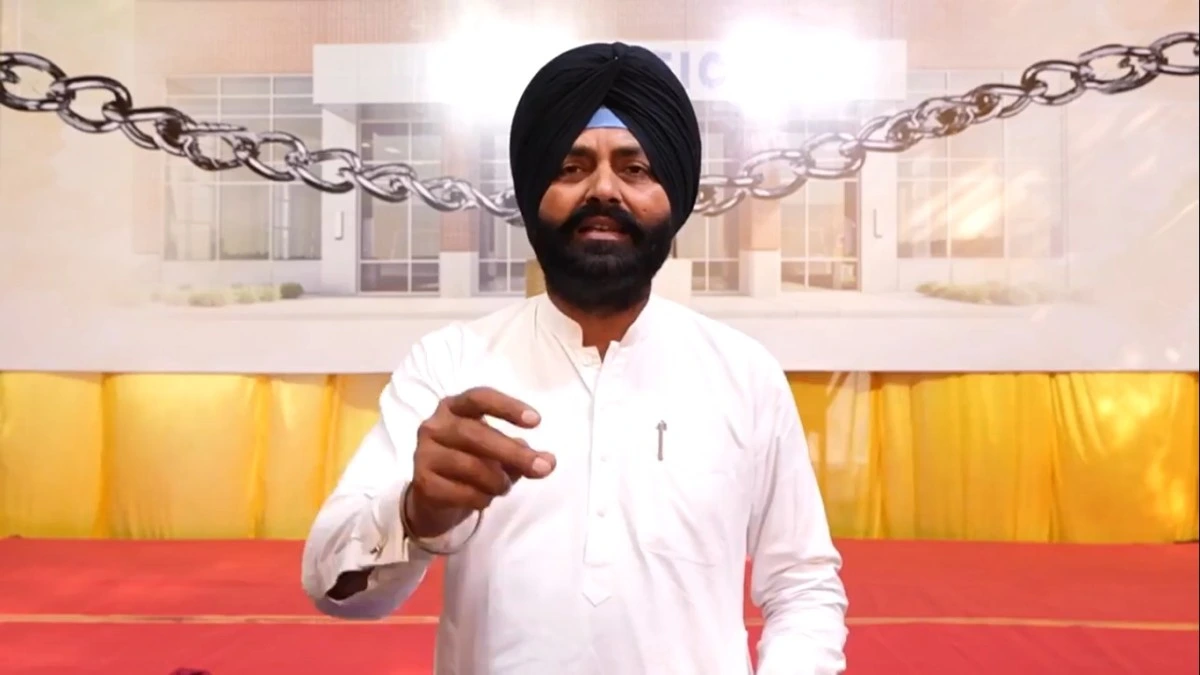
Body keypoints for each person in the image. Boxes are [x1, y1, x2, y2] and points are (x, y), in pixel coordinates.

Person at [301, 41, 848, 675]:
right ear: (533, 192)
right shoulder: (451, 364)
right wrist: (415, 513)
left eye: (635, 168)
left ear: (674, 196)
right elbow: (332, 588)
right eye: (570, 166)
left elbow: (803, 587)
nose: (603, 190)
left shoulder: (743, 374)